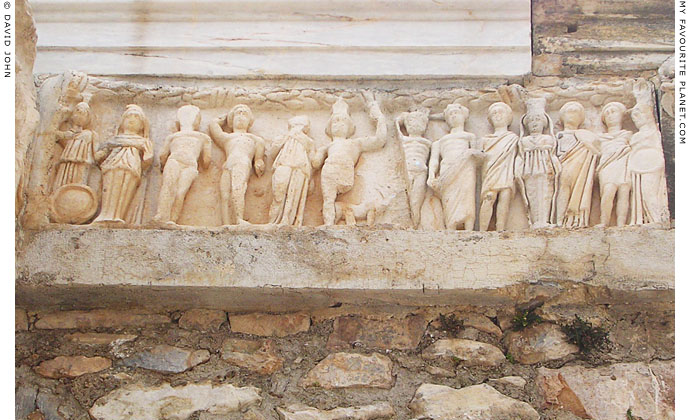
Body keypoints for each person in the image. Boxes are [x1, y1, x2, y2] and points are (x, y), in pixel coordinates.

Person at [316, 97, 387, 226]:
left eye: (343, 121)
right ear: (330, 128)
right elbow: (315, 163)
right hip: (329, 169)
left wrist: (379, 116)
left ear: (350, 127)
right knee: (328, 200)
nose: (339, 124)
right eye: (335, 122)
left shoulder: (356, 143)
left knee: (330, 199)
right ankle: (329, 224)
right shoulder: (327, 147)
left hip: (345, 171)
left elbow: (379, 140)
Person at [427, 103, 484, 231]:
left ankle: (469, 228)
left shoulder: (470, 136)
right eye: (450, 114)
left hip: (466, 170)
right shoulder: (440, 141)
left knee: (467, 197)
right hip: (447, 171)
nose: (453, 116)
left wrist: (471, 153)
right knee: (449, 200)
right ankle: (450, 228)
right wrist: (431, 176)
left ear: (464, 117)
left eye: (456, 113)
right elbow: (434, 161)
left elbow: (479, 155)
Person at [94, 104, 153, 224]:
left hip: (131, 167)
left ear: (142, 125)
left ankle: (118, 215)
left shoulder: (143, 141)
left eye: (136, 117)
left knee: (125, 190)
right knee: (109, 188)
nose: (132, 119)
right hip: (112, 165)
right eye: (128, 116)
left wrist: (146, 159)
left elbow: (148, 159)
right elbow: (101, 154)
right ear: (122, 122)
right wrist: (99, 155)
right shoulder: (114, 140)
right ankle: (105, 214)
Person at [153, 105, 212, 224]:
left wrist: (162, 165)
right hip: (181, 162)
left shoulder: (200, 138)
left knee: (176, 190)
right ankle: (163, 216)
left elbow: (162, 156)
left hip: (183, 163)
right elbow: (206, 161)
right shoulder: (201, 137)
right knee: (174, 189)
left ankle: (170, 218)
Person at [209, 104, 266, 225]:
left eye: (244, 114)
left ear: (249, 121)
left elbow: (259, 159)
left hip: (242, 163)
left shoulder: (255, 139)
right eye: (237, 114)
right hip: (228, 165)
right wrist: (222, 118)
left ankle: (239, 218)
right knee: (225, 194)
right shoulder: (227, 138)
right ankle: (226, 223)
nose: (241, 117)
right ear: (231, 120)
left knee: (238, 188)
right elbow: (214, 128)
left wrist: (259, 163)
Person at [554, 101, 600, 228]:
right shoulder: (559, 135)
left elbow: (596, 151)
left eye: (576, 113)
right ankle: (559, 220)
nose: (572, 115)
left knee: (579, 191)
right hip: (564, 164)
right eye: (569, 112)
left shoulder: (586, 135)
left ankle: (577, 219)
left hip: (581, 168)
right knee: (563, 189)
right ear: (562, 117)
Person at [516, 98, 561, 229]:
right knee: (531, 194)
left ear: (545, 123)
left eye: (538, 120)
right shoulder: (524, 141)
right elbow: (520, 156)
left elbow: (552, 154)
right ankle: (535, 221)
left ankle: (544, 220)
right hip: (529, 171)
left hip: (545, 170)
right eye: (531, 121)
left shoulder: (547, 138)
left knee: (546, 193)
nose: (534, 124)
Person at [269, 115, 317, 226]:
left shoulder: (308, 141)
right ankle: (273, 220)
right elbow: (272, 153)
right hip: (283, 164)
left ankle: (288, 221)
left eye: (300, 125)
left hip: (300, 168)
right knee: (278, 191)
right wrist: (285, 138)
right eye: (295, 125)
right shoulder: (283, 137)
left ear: (305, 128)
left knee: (294, 196)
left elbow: (313, 160)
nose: (297, 128)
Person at [478, 102, 519, 231]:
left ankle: (500, 229)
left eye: (501, 112)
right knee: (489, 197)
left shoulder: (513, 138)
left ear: (508, 117)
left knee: (505, 197)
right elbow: (479, 157)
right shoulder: (486, 139)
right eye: (494, 113)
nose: (497, 116)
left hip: (507, 171)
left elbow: (519, 156)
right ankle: (482, 230)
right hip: (490, 170)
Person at [628, 102, 666, 225]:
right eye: (634, 118)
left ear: (648, 115)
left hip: (652, 165)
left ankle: (657, 219)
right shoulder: (635, 136)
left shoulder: (655, 132)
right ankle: (652, 219)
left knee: (649, 192)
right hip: (639, 166)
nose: (636, 120)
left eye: (638, 115)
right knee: (643, 194)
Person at [596, 102, 632, 227]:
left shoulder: (627, 135)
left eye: (614, 112)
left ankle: (621, 223)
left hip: (623, 164)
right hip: (607, 165)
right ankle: (604, 221)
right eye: (607, 113)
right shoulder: (601, 137)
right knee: (608, 191)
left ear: (622, 116)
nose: (610, 115)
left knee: (624, 191)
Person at [395, 108, 431, 228]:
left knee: (417, 199)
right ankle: (407, 222)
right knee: (406, 198)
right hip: (407, 170)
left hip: (421, 171)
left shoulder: (427, 142)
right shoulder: (405, 140)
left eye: (419, 123)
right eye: (411, 123)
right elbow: (396, 127)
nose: (415, 125)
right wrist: (400, 119)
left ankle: (415, 223)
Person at [53, 101, 97, 191]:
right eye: (78, 111)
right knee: (62, 183)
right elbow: (54, 135)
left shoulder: (89, 134)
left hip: (82, 163)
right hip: (66, 162)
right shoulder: (67, 132)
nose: (80, 115)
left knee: (77, 184)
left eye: (84, 114)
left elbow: (95, 153)